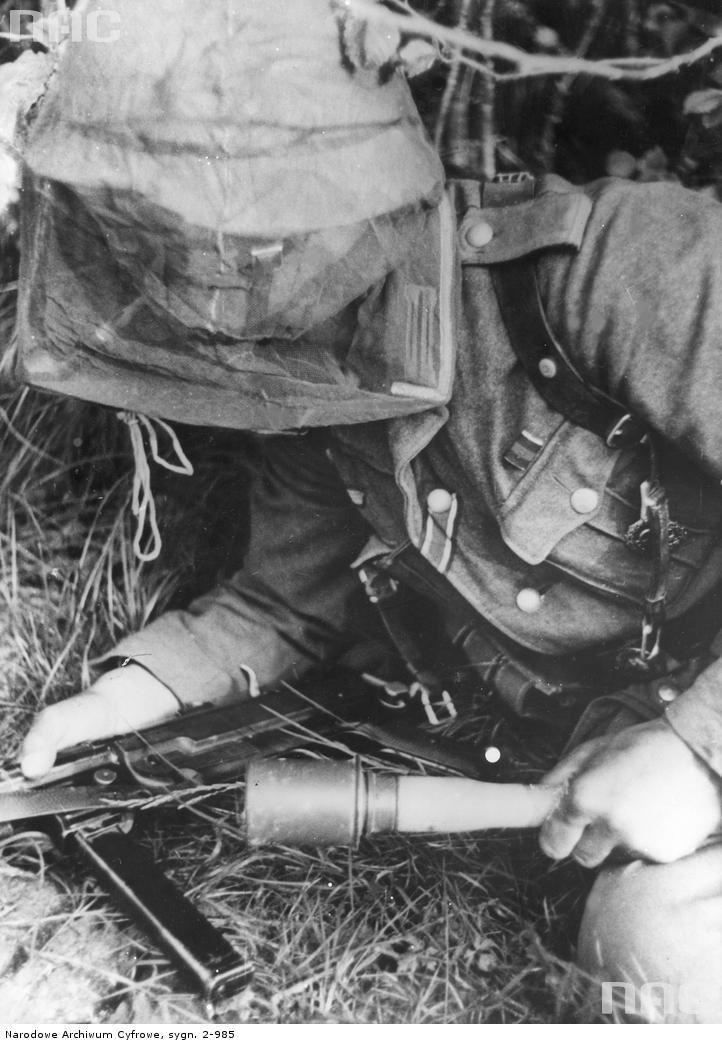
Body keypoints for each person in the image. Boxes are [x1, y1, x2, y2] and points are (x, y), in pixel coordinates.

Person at [8, 0, 722, 1023]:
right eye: (164, 242)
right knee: (645, 949)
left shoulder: (614, 268)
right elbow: (282, 606)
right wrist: (119, 708)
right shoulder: (318, 368)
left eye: (246, 239)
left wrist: (694, 750)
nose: (212, 292)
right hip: (618, 769)